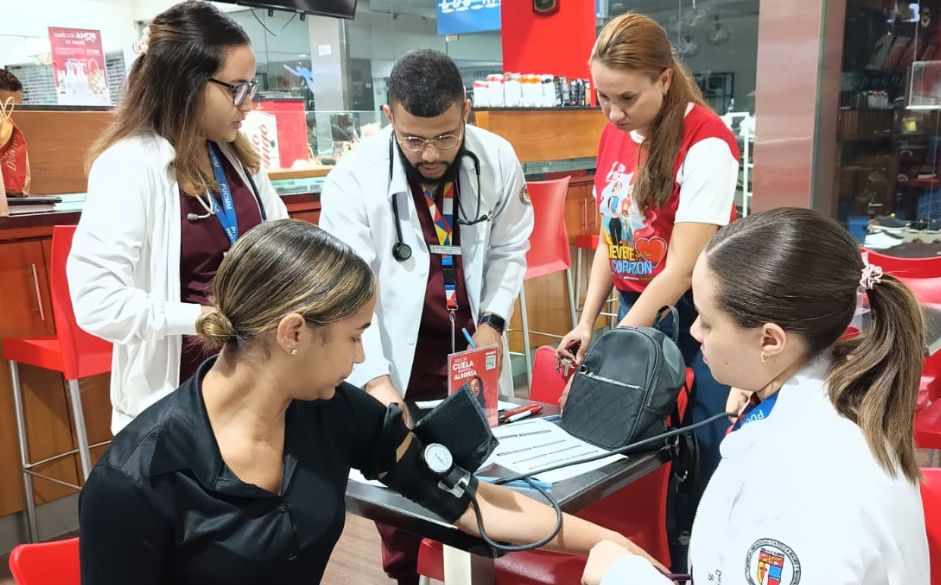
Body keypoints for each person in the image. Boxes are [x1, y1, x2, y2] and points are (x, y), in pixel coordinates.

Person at [78, 219, 656, 585]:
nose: (360, 359)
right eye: (355, 336)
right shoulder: (136, 481)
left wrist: (612, 543)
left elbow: (465, 499)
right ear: (294, 333)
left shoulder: (330, 411)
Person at [580, 207, 930, 585]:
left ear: (770, 340)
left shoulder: (804, 480)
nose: (695, 332)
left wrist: (622, 576)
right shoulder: (823, 395)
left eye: (708, 321)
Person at [319, 48, 533, 584]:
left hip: (468, 346)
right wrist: (378, 385)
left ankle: (479, 570)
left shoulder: (497, 158)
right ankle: (406, 576)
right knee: (402, 484)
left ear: (466, 109)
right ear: (390, 117)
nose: (430, 152)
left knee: (477, 473)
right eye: (413, 139)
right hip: (393, 353)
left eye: (444, 136)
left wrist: (493, 322)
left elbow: (510, 249)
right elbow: (344, 291)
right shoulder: (353, 180)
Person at [556, 13, 739, 569]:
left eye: (626, 98)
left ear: (664, 79)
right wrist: (588, 323)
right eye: (602, 97)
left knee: (704, 439)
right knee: (634, 437)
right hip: (637, 305)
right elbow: (614, 241)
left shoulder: (707, 142)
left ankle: (705, 560)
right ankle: (652, 548)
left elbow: (683, 270)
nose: (613, 113)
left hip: (697, 311)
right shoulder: (616, 130)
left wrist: (615, 344)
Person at [67, 1, 288, 434]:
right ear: (187, 84)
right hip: (180, 399)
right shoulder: (130, 165)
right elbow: (96, 302)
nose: (249, 104)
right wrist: (201, 318)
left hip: (255, 386)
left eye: (252, 87)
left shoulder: (236, 158)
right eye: (236, 88)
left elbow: (282, 243)